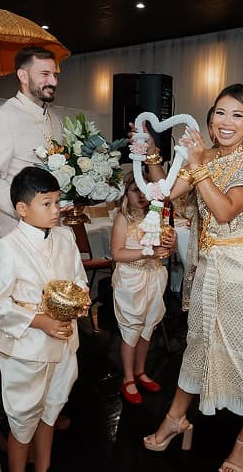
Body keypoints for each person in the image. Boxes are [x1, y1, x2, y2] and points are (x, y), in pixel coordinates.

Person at [139, 84, 243, 472]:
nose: (226, 122)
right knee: (198, 344)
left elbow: (224, 211)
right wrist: (151, 154)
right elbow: (165, 192)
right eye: (220, 112)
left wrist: (198, 163)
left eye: (238, 115)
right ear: (210, 117)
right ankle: (175, 418)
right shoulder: (207, 157)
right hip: (208, 267)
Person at [0, 167, 89, 472]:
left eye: (57, 202)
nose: (56, 210)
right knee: (23, 420)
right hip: (26, 347)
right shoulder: (7, 248)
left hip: (65, 341)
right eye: (46, 203)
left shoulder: (66, 237)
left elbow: (79, 279)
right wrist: (40, 321)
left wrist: (80, 300)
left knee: (51, 412)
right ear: (22, 208)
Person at [0, 46, 64, 237]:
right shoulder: (0, 119)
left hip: (57, 229)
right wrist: (26, 209)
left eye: (55, 75)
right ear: (23, 75)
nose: (53, 81)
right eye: (45, 74)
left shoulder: (55, 119)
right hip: (20, 231)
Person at [110, 171, 176, 405]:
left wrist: (171, 243)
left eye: (145, 190)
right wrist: (147, 251)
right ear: (126, 192)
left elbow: (168, 248)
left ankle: (140, 371)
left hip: (154, 276)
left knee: (148, 327)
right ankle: (127, 377)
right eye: (135, 190)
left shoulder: (157, 215)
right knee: (131, 329)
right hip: (132, 279)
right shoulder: (123, 218)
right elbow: (117, 253)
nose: (141, 195)